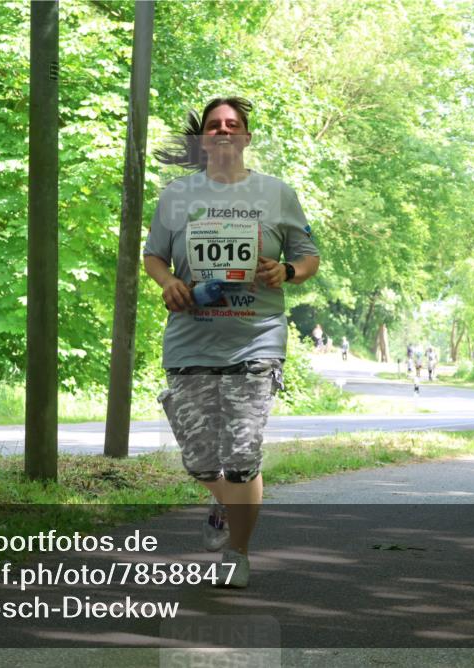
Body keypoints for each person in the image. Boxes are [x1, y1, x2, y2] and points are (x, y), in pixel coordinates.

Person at [144, 97, 320, 588]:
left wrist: (285, 270)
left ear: (245, 137)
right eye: (214, 125)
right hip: (190, 341)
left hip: (256, 339)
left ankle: (238, 554)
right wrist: (168, 284)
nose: (223, 131)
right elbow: (153, 257)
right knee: (199, 458)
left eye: (233, 125)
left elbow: (308, 257)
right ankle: (223, 504)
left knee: (242, 455)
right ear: (203, 139)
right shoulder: (176, 196)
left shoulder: (276, 194)